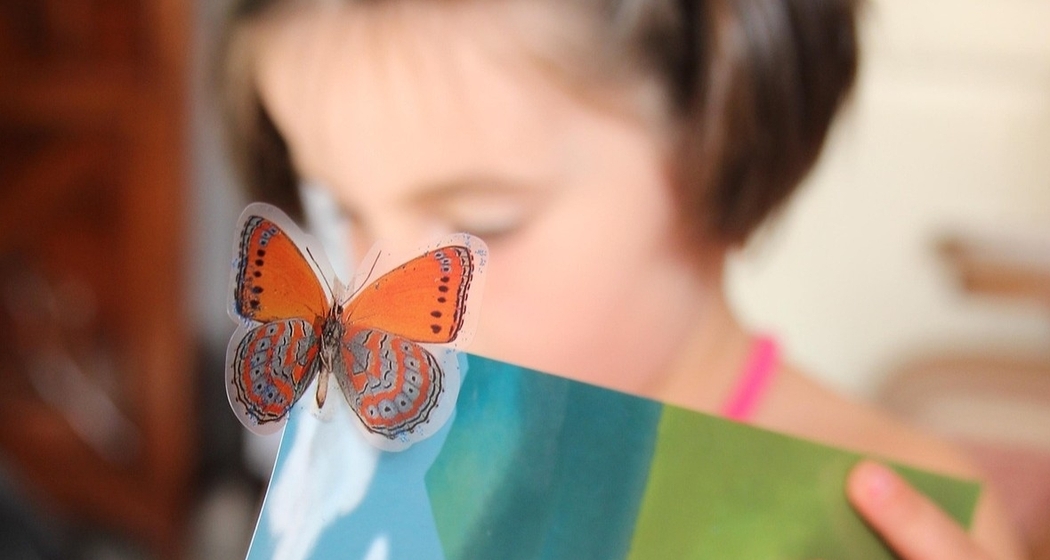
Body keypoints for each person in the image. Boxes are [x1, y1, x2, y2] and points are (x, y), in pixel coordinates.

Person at [217, 0, 1023, 557]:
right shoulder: (370, 463)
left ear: (717, 141)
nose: (377, 308)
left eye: (482, 222)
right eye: (341, 208)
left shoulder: (910, 520)